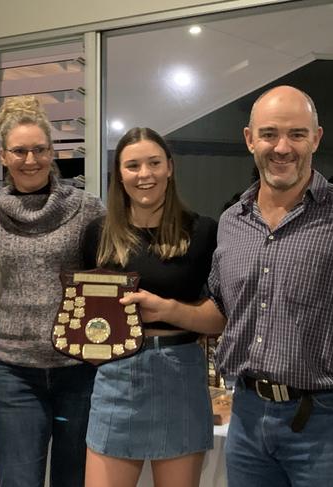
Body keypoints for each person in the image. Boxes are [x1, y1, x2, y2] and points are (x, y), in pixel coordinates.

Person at [145, 85, 333, 486]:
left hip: (326, 423)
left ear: (317, 138)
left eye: (297, 134)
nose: (282, 147)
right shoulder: (233, 222)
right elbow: (222, 310)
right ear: (249, 139)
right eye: (269, 134)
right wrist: (165, 309)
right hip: (248, 417)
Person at [82, 127, 221, 487]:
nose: (145, 174)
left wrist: (165, 310)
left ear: (170, 168)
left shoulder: (203, 232)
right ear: (119, 174)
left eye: (154, 163)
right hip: (115, 377)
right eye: (133, 166)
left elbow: (220, 318)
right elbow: (84, 310)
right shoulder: (98, 233)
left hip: (180, 374)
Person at [0, 95, 105, 487]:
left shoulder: (87, 208)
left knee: (74, 480)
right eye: (20, 151)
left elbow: (110, 275)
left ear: (53, 152)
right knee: (18, 481)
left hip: (78, 371)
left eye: (39, 149)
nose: (30, 160)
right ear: (4, 156)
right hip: (15, 374)